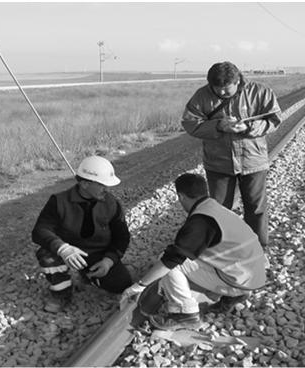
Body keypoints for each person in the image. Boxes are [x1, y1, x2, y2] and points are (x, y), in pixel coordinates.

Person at [120, 173, 266, 330]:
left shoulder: (201, 221)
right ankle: (233, 296)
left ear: (181, 196)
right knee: (185, 258)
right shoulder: (215, 209)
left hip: (240, 281)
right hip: (254, 274)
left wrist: (140, 285)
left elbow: (172, 260)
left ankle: (185, 313)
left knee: (169, 263)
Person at [181, 61, 282, 248]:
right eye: (217, 90)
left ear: (238, 81)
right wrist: (218, 125)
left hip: (253, 161)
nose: (221, 93)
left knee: (256, 208)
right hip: (218, 163)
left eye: (226, 91)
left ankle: (258, 249)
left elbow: (274, 120)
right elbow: (189, 124)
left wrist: (249, 127)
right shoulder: (201, 96)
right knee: (219, 209)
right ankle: (222, 249)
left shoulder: (259, 92)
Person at [32, 155, 133, 313]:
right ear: (84, 183)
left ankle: (87, 275)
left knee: (121, 284)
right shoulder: (59, 202)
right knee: (47, 255)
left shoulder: (111, 203)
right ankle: (61, 293)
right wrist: (63, 249)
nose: (106, 189)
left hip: (97, 253)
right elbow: (40, 231)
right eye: (101, 185)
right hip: (68, 252)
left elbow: (122, 237)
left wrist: (108, 261)